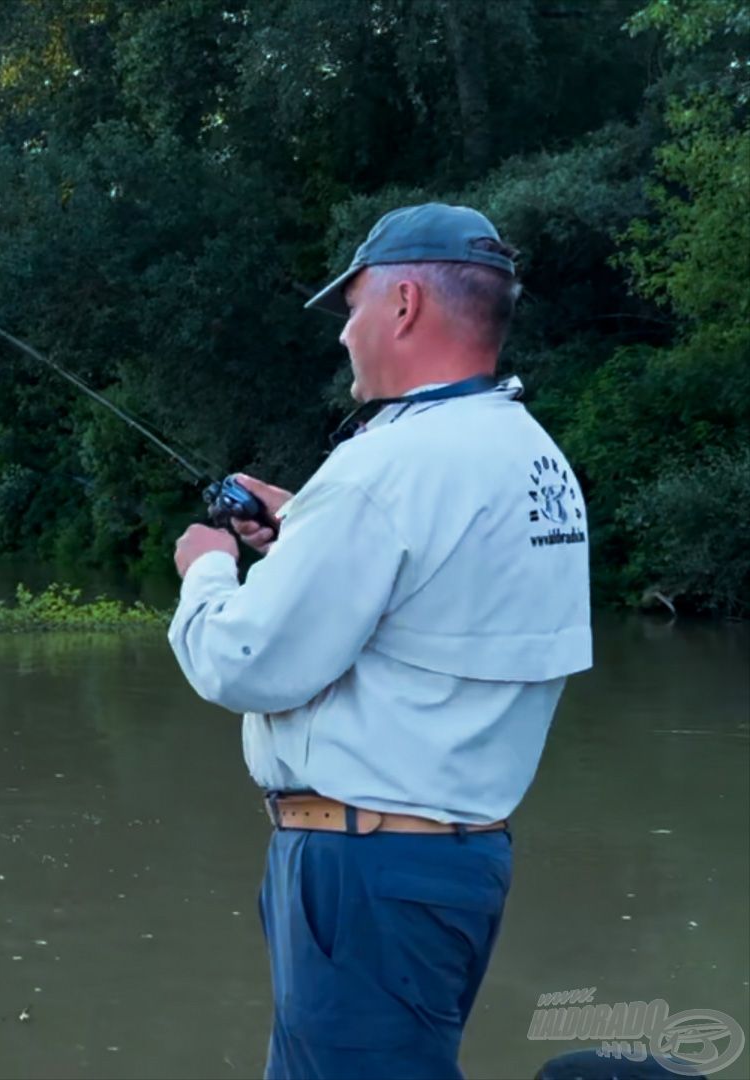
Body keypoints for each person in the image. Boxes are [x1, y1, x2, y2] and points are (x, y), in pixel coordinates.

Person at [166, 203, 593, 1079]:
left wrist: (208, 567)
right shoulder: (536, 459)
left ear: (403, 305)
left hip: (363, 873)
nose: (344, 336)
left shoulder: (385, 467)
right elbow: (439, 608)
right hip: (458, 861)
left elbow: (240, 659)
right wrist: (308, 534)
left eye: (352, 308)